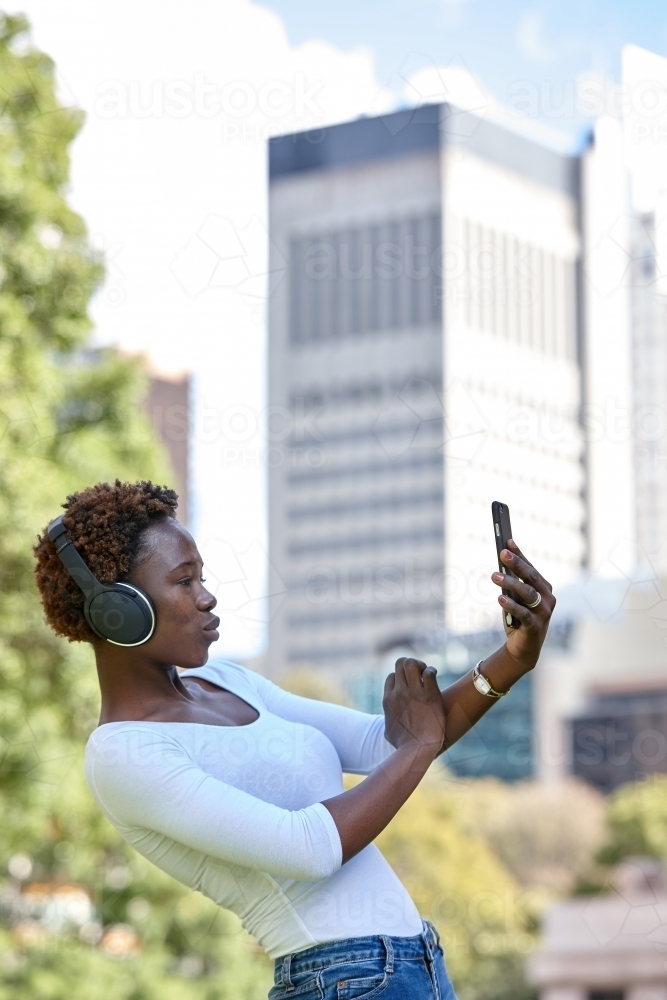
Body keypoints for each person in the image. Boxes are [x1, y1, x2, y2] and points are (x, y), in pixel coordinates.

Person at [33, 479, 556, 1000]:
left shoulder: (226, 681)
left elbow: (384, 744)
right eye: (184, 581)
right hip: (342, 980)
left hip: (414, 965)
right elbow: (310, 848)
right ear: (117, 611)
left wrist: (513, 659)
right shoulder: (125, 754)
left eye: (203, 578)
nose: (208, 596)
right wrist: (418, 746)